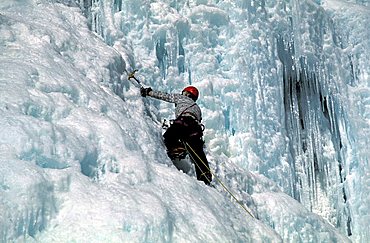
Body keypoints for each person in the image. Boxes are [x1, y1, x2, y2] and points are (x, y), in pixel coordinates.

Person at [140, 85, 212, 185]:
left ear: (186, 94)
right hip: (195, 128)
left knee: (169, 136)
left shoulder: (182, 98)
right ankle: (205, 175)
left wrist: (149, 92)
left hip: (183, 121)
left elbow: (166, 96)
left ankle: (176, 149)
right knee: (197, 152)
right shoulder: (197, 108)